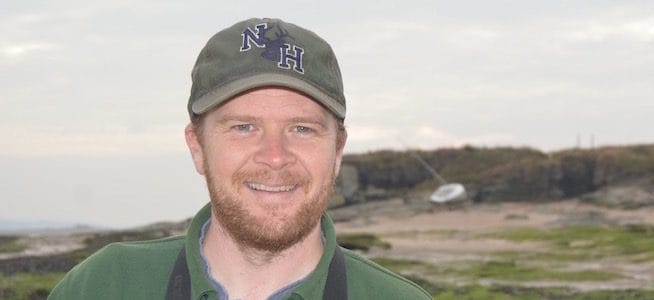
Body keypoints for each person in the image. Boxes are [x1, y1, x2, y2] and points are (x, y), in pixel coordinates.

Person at [49, 17, 432, 300]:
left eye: (302, 129)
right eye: (243, 127)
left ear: (337, 152)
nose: (275, 157)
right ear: (197, 147)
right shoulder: (103, 286)